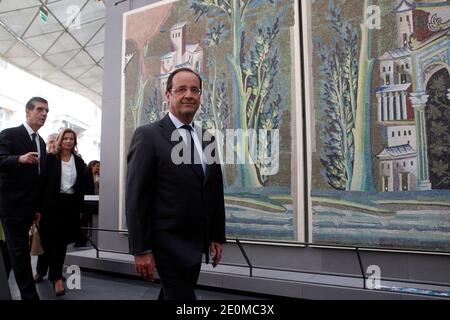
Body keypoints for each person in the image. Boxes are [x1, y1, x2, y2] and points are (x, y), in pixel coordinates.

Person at [126, 68, 226, 300]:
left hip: (196, 245)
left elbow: (213, 191)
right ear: (168, 95)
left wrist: (216, 235)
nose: (189, 94)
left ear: (200, 96)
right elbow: (136, 197)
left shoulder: (207, 139)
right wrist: (141, 249)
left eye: (194, 90)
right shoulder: (148, 136)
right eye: (181, 89)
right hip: (167, 246)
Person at [0, 97, 49, 300]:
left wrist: (37, 208)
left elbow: (38, 180)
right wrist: (18, 159)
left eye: (46, 111)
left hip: (29, 210)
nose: (44, 114)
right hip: (11, 207)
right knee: (20, 254)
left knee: (10, 253)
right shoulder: (10, 134)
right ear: (28, 111)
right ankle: (30, 296)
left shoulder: (42, 143)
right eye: (39, 109)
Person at [39, 128, 86, 296]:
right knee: (48, 241)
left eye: (71, 138)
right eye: (65, 138)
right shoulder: (51, 159)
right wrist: (38, 208)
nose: (68, 141)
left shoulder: (79, 162)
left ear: (74, 142)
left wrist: (80, 209)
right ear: (60, 140)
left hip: (69, 206)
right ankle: (44, 270)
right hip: (50, 205)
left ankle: (55, 276)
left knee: (61, 243)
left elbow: (81, 188)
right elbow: (42, 183)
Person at [34, 132, 58, 283]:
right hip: (44, 208)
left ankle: (55, 274)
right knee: (43, 240)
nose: (52, 144)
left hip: (60, 208)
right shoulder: (44, 159)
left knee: (57, 243)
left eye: (55, 142)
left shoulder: (65, 160)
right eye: (50, 142)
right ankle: (40, 271)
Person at [75, 160, 100, 247]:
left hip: (94, 200)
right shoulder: (86, 173)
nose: (98, 168)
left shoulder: (98, 175)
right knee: (83, 220)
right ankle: (80, 241)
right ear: (92, 166)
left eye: (99, 166)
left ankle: (83, 240)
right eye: (97, 166)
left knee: (88, 220)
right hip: (85, 201)